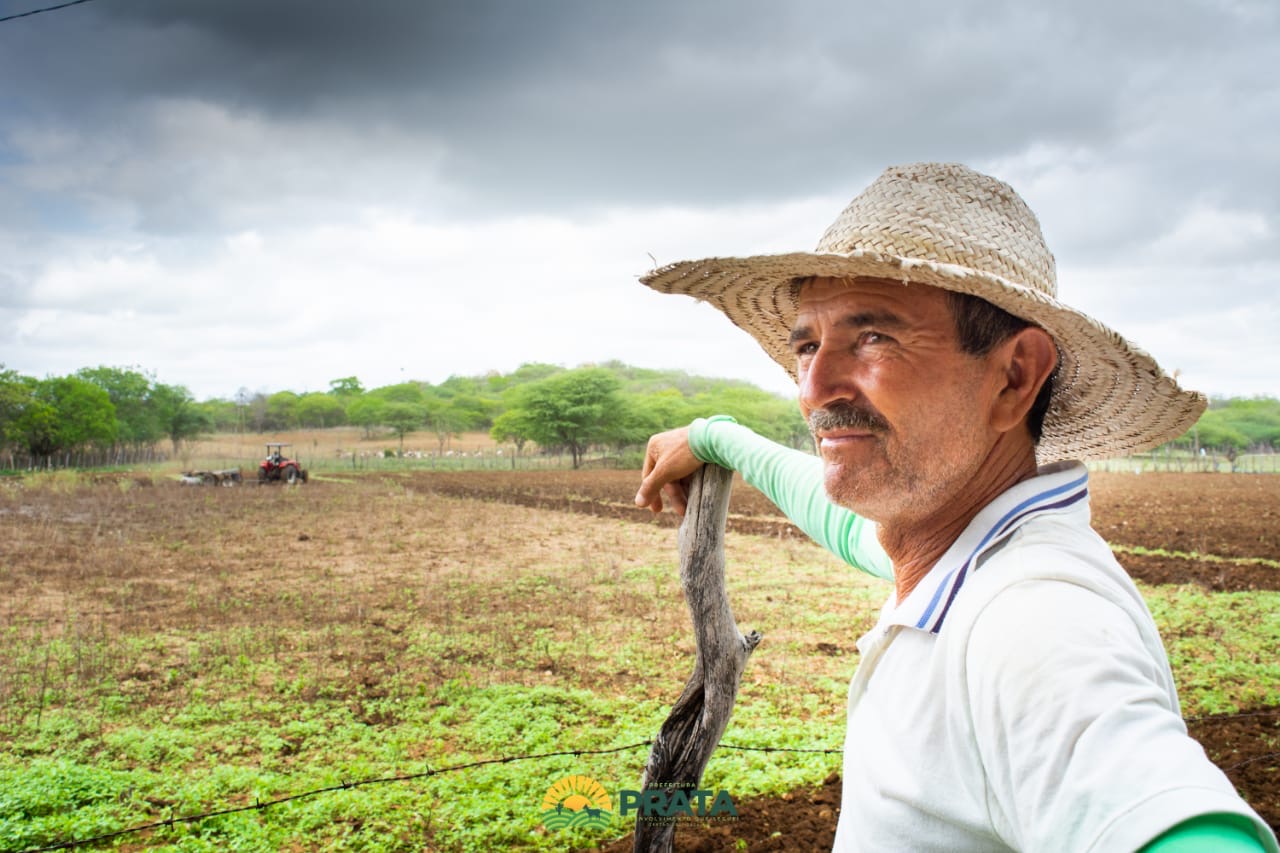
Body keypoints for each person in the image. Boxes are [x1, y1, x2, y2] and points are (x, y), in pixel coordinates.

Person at [633, 163, 1278, 853]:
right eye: (807, 345)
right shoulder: (953, 549)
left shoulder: (1032, 618)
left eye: (874, 336)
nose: (815, 387)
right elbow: (846, 523)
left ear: (1014, 376)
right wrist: (714, 438)